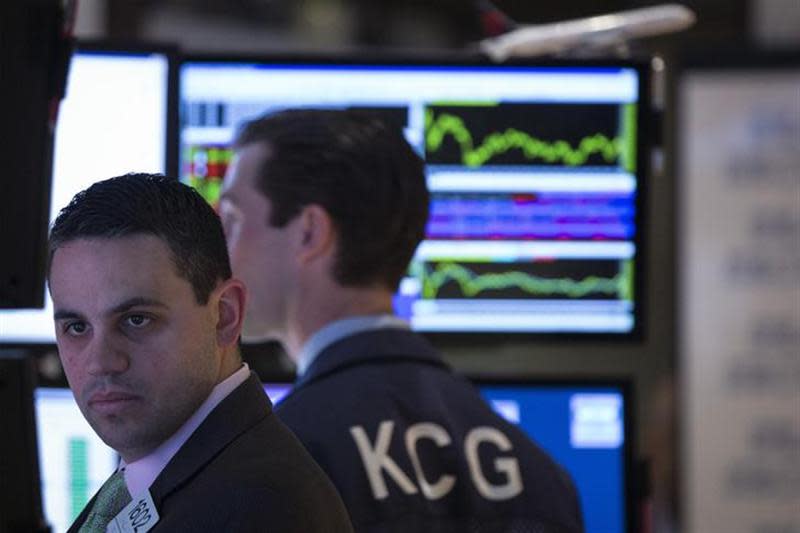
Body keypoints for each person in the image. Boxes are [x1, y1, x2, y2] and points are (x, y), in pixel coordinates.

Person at [220, 108, 585, 533]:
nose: (222, 250)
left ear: (309, 232)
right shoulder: (540, 472)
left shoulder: (277, 467)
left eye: (232, 221)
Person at [47, 173, 353, 533]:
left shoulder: (260, 509)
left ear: (225, 314)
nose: (100, 362)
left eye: (136, 320)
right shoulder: (167, 478)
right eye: (77, 327)